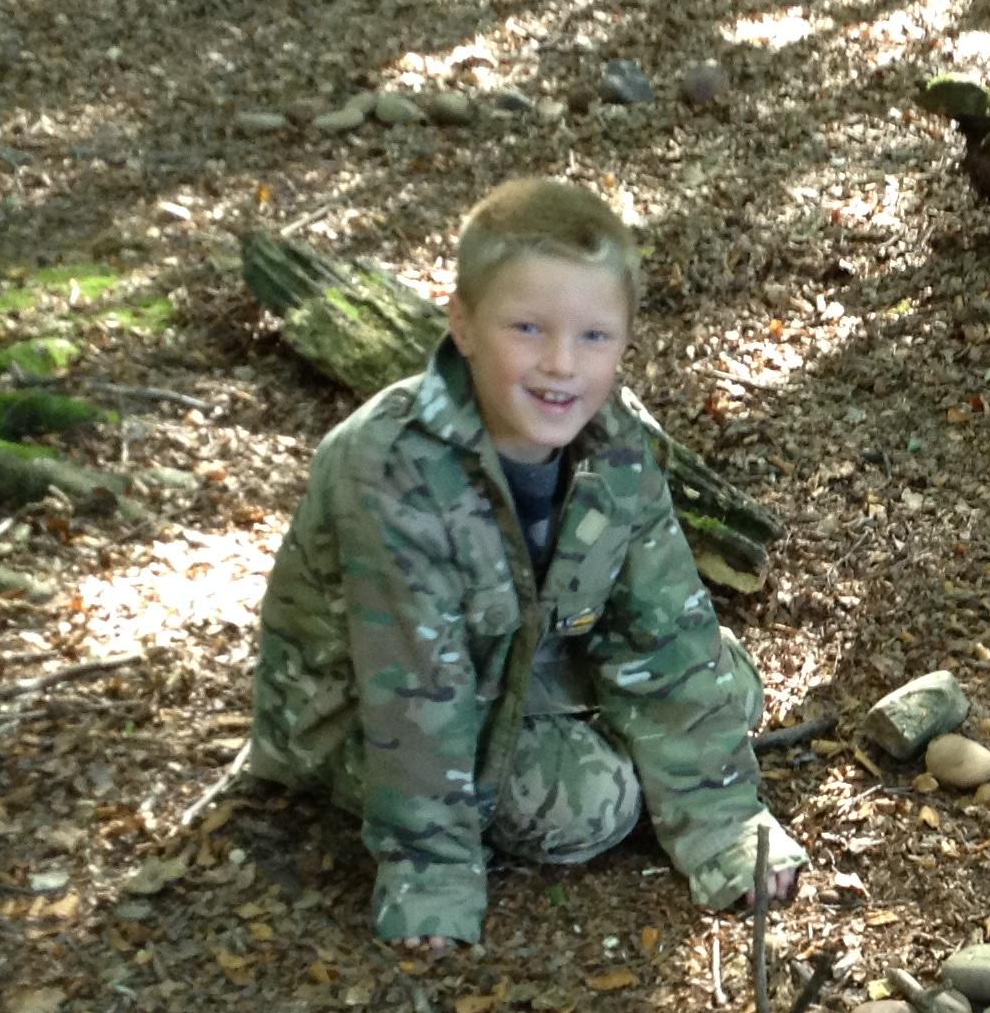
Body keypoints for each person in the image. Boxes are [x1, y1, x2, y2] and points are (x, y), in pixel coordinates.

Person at [249, 178, 804, 952]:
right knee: (592, 802)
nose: (561, 364)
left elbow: (665, 629)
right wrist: (433, 883)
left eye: (594, 336)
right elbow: (413, 691)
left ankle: (647, 762)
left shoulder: (616, 443)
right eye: (528, 329)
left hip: (517, 648)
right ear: (464, 325)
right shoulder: (390, 468)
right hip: (356, 707)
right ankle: (616, 764)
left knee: (729, 683)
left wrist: (726, 830)